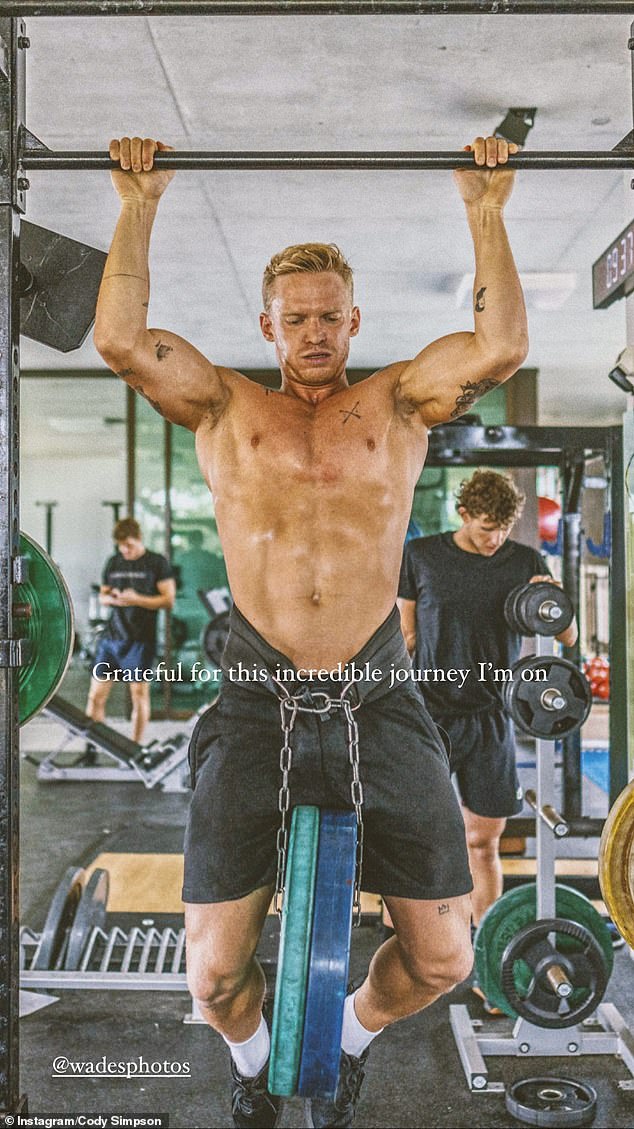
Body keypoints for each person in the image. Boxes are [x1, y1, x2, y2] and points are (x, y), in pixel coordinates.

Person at [95, 133, 528, 1129]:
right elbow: (121, 341)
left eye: (331, 317)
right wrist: (139, 201)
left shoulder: (399, 404)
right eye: (297, 319)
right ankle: (251, 1062)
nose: (316, 333)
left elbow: (499, 346)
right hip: (255, 706)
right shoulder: (223, 410)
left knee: (445, 955)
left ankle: (343, 1037)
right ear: (269, 322)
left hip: (381, 702)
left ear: (353, 318)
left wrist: (486, 209)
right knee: (210, 979)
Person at [397, 470, 578, 1005]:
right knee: (415, 838)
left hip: (492, 715)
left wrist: (555, 597)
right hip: (428, 712)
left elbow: (565, 632)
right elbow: (403, 634)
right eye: (483, 528)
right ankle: (411, 944)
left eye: (501, 529)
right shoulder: (423, 556)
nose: (492, 539)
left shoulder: (524, 563)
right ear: (463, 515)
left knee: (483, 840)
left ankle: (484, 957)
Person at [86, 517, 176, 744]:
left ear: (139, 539)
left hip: (140, 641)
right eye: (121, 546)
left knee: (138, 695)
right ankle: (94, 747)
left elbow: (168, 600)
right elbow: (103, 596)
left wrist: (137, 599)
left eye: (129, 546)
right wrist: (115, 599)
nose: (125, 550)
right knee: (95, 696)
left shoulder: (157, 563)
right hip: (112, 639)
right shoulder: (114, 562)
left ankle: (135, 747)